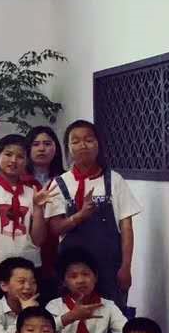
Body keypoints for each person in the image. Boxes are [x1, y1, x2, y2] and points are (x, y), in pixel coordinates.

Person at [45, 119, 141, 304]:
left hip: (110, 267)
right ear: (68, 148)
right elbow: (55, 228)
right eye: (75, 141)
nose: (83, 145)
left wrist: (126, 267)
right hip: (73, 271)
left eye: (89, 140)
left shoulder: (114, 180)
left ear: (98, 144)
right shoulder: (59, 183)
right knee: (74, 314)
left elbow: (126, 228)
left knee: (113, 314)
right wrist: (79, 216)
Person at [0, 134, 49, 299]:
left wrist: (38, 208)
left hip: (29, 266)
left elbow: (38, 240)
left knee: (29, 312)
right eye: (8, 154)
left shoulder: (33, 192)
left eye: (20, 156)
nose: (13, 160)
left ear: (26, 161)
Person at [46, 247, 129, 333]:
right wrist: (70, 317)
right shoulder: (54, 306)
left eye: (86, 274)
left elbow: (130, 331)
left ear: (95, 277)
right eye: (73, 276)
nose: (80, 280)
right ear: (64, 281)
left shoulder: (107, 306)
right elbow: (43, 332)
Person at [26, 125, 66, 301]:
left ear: (56, 148)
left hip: (59, 251)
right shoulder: (19, 180)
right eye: (36, 144)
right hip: (27, 251)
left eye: (47, 144)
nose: (41, 148)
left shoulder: (66, 180)